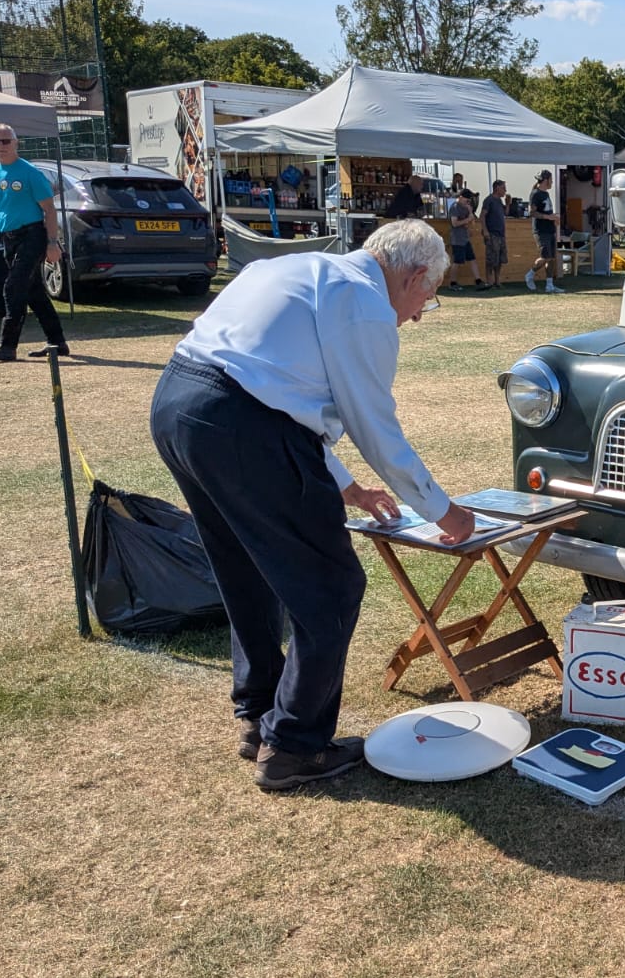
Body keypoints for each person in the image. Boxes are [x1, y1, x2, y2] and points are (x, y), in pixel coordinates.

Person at [149, 219, 476, 791]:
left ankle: (259, 715)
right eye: (428, 297)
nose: (421, 313)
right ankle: (294, 746)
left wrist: (347, 487)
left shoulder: (293, 268)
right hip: (238, 424)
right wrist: (444, 511)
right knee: (331, 586)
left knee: (246, 569)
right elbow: (373, 428)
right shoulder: (365, 303)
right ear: (414, 275)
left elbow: (277, 390)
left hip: (179, 405)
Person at [0, 123, 69, 362]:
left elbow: (49, 210)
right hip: (9, 237)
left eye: (6, 141)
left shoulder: (30, 173)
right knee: (33, 292)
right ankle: (57, 342)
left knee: (13, 287)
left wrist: (52, 242)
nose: (1, 146)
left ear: (16, 142)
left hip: (32, 235)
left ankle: (7, 346)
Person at [526, 169, 562, 293]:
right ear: (546, 180)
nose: (552, 182)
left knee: (551, 258)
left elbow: (546, 211)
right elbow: (532, 212)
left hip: (550, 229)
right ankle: (530, 274)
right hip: (541, 230)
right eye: (551, 180)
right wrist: (548, 217)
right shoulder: (535, 194)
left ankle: (549, 285)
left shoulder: (546, 194)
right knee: (545, 257)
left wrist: (554, 218)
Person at [446, 188, 484, 289]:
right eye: (467, 199)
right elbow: (454, 223)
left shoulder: (466, 208)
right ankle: (452, 283)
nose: (468, 202)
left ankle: (478, 281)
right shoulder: (455, 207)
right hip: (457, 239)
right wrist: (467, 220)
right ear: (461, 197)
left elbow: (472, 222)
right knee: (457, 262)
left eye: (469, 200)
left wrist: (470, 212)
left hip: (465, 238)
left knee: (472, 259)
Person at [480, 179, 509, 285]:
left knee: (500, 259)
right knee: (491, 259)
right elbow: (482, 215)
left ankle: (497, 280)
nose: (505, 190)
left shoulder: (499, 201)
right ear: (497, 188)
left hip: (501, 234)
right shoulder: (489, 200)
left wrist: (508, 203)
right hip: (492, 233)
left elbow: (506, 213)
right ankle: (489, 280)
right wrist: (485, 230)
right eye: (503, 188)